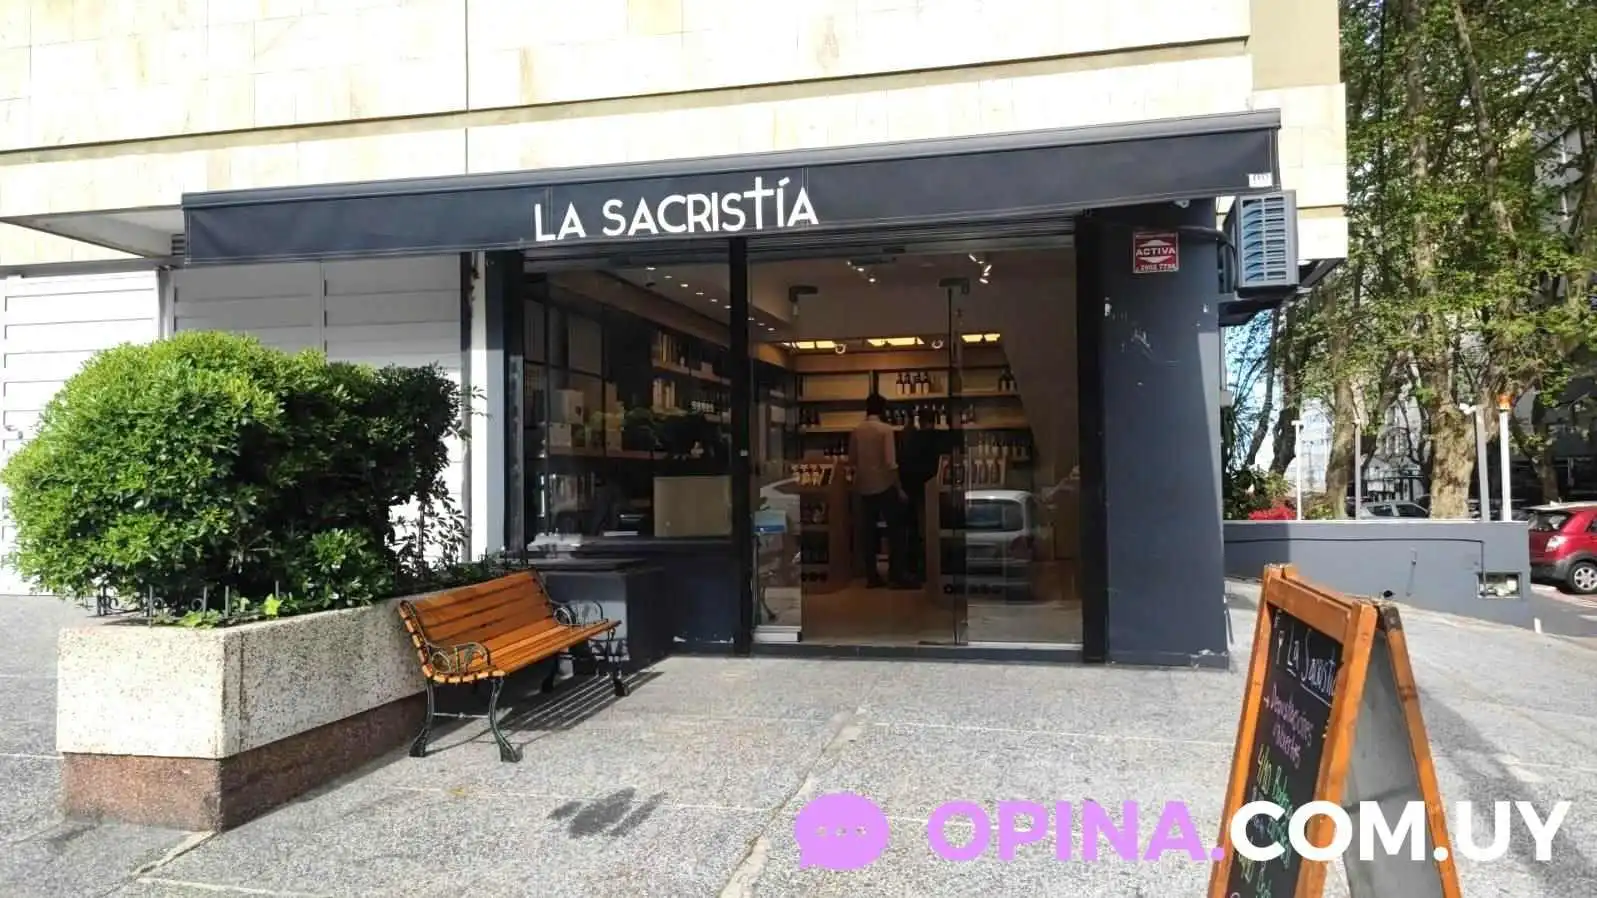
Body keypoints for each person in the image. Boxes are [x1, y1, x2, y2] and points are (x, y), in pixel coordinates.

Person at [849, 393, 911, 588]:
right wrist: (899, 488)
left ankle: (872, 576)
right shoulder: (886, 430)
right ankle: (896, 574)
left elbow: (852, 461)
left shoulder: (857, 431)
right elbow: (891, 463)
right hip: (884, 486)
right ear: (883, 410)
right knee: (895, 532)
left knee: (868, 533)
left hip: (864, 487)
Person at [898, 405, 943, 584]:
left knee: (914, 530)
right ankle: (933, 567)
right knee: (932, 530)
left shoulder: (911, 438)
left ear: (920, 421)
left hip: (912, 488)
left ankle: (915, 568)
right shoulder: (939, 439)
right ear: (934, 421)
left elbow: (903, 463)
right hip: (933, 489)